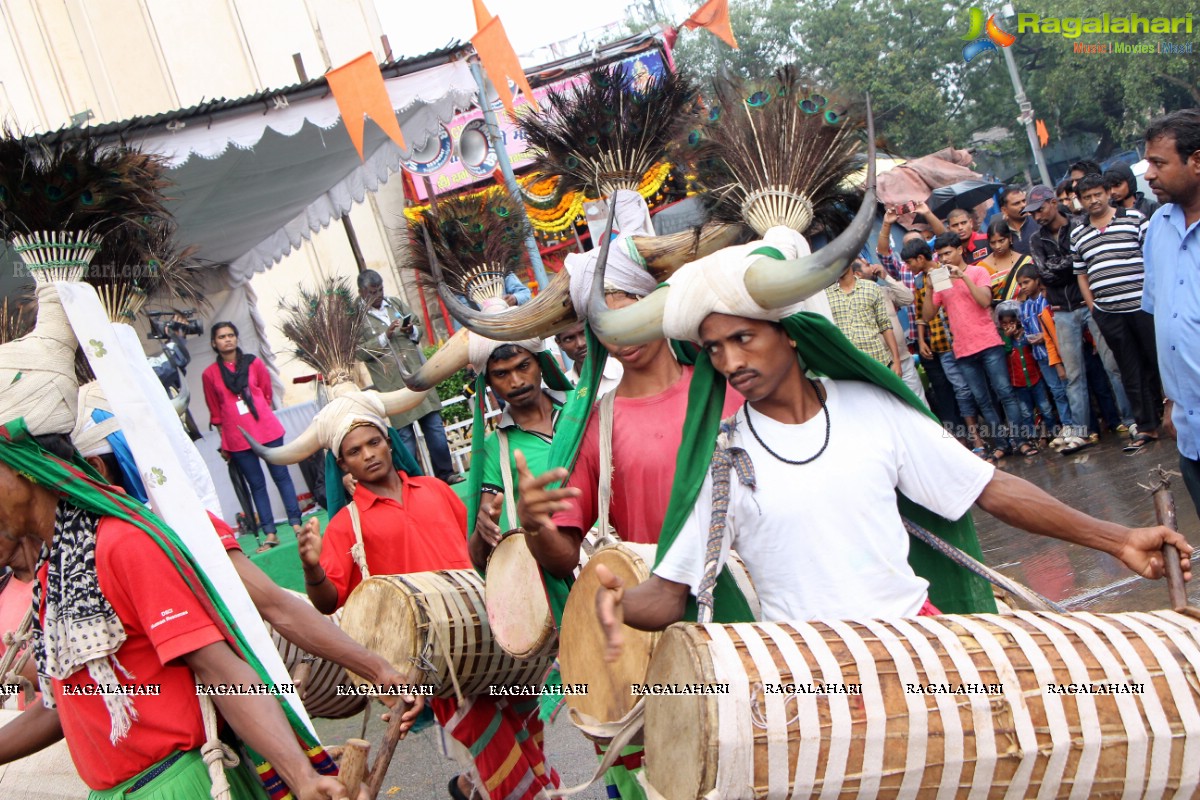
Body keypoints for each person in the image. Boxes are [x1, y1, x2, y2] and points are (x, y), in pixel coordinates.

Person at [580, 250, 1192, 651]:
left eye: (743, 338)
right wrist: (607, 602)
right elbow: (667, 594)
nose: (731, 361)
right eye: (713, 348)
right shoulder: (720, 462)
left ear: (792, 337)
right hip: (812, 685)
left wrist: (1118, 539)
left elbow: (990, 489)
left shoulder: (871, 409)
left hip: (923, 652)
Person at [0, 285, 351, 800]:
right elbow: (65, 705)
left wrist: (300, 774)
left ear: (20, 468)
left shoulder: (121, 544)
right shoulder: (60, 564)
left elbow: (221, 669)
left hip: (177, 785)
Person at [296, 403, 557, 800]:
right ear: (342, 465)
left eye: (374, 442)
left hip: (490, 629)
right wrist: (312, 568)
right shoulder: (345, 524)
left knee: (526, 731)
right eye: (354, 451)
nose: (368, 454)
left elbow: (473, 558)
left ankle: (469, 788)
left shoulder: (435, 489)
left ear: (390, 443)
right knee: (496, 748)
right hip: (438, 660)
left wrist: (485, 531)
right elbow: (328, 601)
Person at [1028, 184, 1134, 446]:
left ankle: (1131, 420)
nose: (1037, 216)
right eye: (1032, 212)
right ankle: (1083, 431)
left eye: (1040, 209)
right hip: (1062, 310)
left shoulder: (1079, 223)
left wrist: (1069, 265)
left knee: (1113, 365)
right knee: (1074, 375)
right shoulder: (1035, 239)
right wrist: (1072, 263)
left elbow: (1082, 264)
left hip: (1089, 302)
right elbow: (1048, 273)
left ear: (1053, 203)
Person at [1071, 173, 1162, 452]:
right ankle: (1147, 426)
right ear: (1081, 201)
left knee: (1160, 362)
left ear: (1108, 192)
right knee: (1128, 368)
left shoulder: (1135, 218)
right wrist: (1093, 307)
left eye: (1098, 194)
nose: (1093, 200)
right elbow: (1081, 274)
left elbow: (1154, 258)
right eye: (1087, 197)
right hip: (1108, 311)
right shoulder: (1078, 234)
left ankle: (1180, 417)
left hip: (1144, 306)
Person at [924, 233, 1034, 459]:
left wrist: (963, 277)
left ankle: (1021, 441)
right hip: (963, 351)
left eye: (947, 253)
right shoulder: (941, 282)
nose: (943, 259)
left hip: (988, 343)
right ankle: (1001, 445)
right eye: (940, 255)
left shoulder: (978, 271)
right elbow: (928, 315)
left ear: (959, 251)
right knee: (983, 401)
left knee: (1005, 393)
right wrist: (928, 289)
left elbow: (985, 301)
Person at [468, 338, 572, 572]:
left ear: (540, 363)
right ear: (489, 383)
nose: (516, 381)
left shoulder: (582, 407)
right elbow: (479, 559)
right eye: (501, 374)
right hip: (557, 565)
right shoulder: (496, 447)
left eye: (523, 366)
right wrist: (486, 524)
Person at [1141, 108, 1200, 515]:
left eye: (1159, 163)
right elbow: (1162, 318)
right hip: (1191, 428)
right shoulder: (1158, 226)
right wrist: (1169, 402)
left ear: (1197, 161)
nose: (1148, 175)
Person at [202, 321, 303, 550]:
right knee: (256, 484)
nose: (227, 339)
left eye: (231, 335)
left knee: (282, 476)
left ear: (237, 338)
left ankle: (296, 524)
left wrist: (256, 412)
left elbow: (266, 393)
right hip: (237, 437)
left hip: (266, 428)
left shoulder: (254, 363)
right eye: (221, 337)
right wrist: (224, 441)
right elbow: (215, 411)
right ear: (214, 343)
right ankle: (270, 533)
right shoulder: (210, 375)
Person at [356, 270, 464, 485]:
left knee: (434, 426)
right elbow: (359, 351)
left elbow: (418, 327)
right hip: (391, 385)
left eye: (380, 290)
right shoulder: (357, 320)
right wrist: (384, 337)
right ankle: (413, 482)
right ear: (361, 292)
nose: (378, 295)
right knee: (405, 438)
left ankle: (446, 474)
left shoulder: (395, 304)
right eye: (372, 292)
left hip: (418, 376)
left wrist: (411, 329)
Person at [903, 239, 981, 447]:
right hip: (939, 341)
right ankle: (968, 438)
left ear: (920, 258)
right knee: (956, 390)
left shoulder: (946, 272)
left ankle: (978, 436)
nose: (909, 268)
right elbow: (922, 313)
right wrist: (921, 339)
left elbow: (951, 304)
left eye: (910, 263)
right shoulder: (920, 282)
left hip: (958, 337)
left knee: (970, 388)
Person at [1015, 264, 1078, 451]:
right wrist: (1028, 338)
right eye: (1021, 284)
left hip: (1057, 352)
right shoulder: (1024, 307)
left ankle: (1078, 424)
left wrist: (1044, 337)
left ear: (1037, 281)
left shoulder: (1046, 300)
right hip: (1041, 355)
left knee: (1068, 386)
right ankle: (1067, 424)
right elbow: (1026, 331)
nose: (1024, 286)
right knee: (1056, 391)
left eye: (1027, 282)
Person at [855, 258, 925, 401]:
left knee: (920, 403)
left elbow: (908, 298)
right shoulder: (853, 300)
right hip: (880, 366)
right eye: (868, 265)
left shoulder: (884, 291)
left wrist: (886, 276)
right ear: (858, 274)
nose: (874, 266)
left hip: (903, 359)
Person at [824, 260, 901, 374]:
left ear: (849, 261)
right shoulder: (827, 295)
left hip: (877, 361)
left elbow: (885, 325)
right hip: (848, 367)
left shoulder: (871, 287)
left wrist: (896, 361)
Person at [997, 301, 1055, 450]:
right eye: (1005, 324)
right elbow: (1007, 351)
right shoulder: (1005, 341)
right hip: (1018, 384)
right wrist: (1008, 338)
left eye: (1012, 322)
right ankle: (1032, 437)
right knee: (1026, 413)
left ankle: (1053, 431)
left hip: (1035, 378)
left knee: (1045, 408)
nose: (1009, 326)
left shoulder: (1026, 337)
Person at [555, 320, 623, 398]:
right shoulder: (563, 388)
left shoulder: (623, 371)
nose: (580, 344)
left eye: (584, 333)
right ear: (559, 344)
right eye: (569, 338)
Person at [979, 217, 1034, 302]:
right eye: (993, 243)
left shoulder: (1026, 261)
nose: (997, 246)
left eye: (1001, 241)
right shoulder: (982, 267)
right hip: (1000, 313)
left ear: (1010, 238)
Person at [997, 186, 1037, 255]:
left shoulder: (1038, 223)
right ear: (1004, 210)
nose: (1023, 205)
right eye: (1017, 203)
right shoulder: (1000, 234)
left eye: (1024, 201)